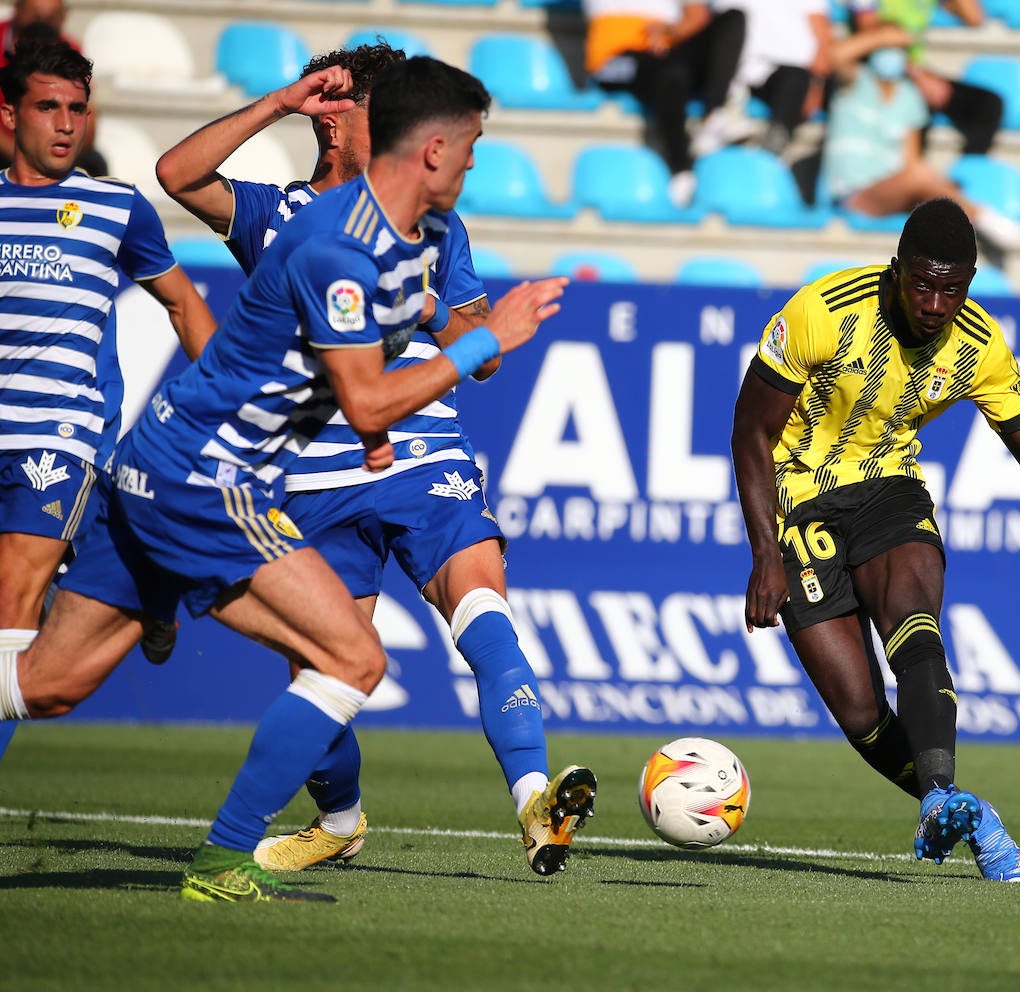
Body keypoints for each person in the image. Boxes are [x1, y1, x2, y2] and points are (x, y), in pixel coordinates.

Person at [0, 56, 571, 904]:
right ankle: (223, 862)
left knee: (46, 684)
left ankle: (280, 831)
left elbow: (330, 373)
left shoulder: (386, 237)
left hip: (157, 463)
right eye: (473, 147)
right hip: (209, 480)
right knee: (350, 655)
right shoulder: (336, 243)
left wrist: (379, 425)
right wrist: (490, 339)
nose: (477, 164)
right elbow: (368, 400)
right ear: (434, 149)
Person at [155, 41, 598, 878]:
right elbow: (177, 173)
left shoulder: (437, 222)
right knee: (324, 670)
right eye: (375, 103)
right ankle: (340, 820)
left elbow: (483, 349)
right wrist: (281, 101)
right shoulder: (280, 214)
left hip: (424, 449)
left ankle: (535, 801)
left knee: (483, 608)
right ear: (335, 120)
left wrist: (425, 300)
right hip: (316, 471)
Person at [730, 197, 1020, 881]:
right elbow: (750, 430)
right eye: (923, 283)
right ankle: (968, 811)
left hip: (889, 491)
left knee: (914, 628)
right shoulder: (824, 312)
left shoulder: (978, 344)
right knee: (861, 715)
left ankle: (942, 794)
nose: (937, 303)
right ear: (897, 271)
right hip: (800, 509)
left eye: (953, 287)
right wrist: (766, 552)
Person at [0, 38, 214, 759]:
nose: (66, 123)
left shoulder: (114, 206)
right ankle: (148, 589)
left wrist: (232, 402)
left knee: (11, 611)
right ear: (8, 112)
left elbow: (184, 305)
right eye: (49, 107)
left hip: (58, 440)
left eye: (78, 110)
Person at [822, 42, 1020, 252]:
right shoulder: (854, 82)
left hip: (891, 189)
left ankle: (972, 215)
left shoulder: (910, 97)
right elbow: (835, 56)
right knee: (923, 178)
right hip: (851, 193)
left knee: (926, 179)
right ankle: (980, 216)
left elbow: (910, 160)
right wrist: (890, 35)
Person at [583, 0, 750, 207]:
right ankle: (681, 169)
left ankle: (713, 115)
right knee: (671, 73)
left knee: (733, 18)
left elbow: (697, 18)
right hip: (615, 60)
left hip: (666, 57)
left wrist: (668, 31)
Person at [847, 0, 1003, 157]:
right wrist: (918, 76)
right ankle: (911, 172)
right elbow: (872, 36)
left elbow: (974, 17)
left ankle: (968, 171)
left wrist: (920, 75)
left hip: (916, 71)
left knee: (988, 105)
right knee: (917, 104)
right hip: (874, 71)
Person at [714, 0, 833, 159]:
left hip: (786, 74)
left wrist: (816, 87)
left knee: (795, 79)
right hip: (733, 71)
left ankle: (775, 153)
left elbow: (823, 39)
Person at [0, 2, 105, 173]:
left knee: (94, 163)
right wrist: (24, 156)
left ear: (63, 17)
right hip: (9, 150)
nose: (41, 22)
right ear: (17, 9)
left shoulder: (71, 51)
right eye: (34, 14)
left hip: (46, 150)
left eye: (50, 17)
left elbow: (89, 122)